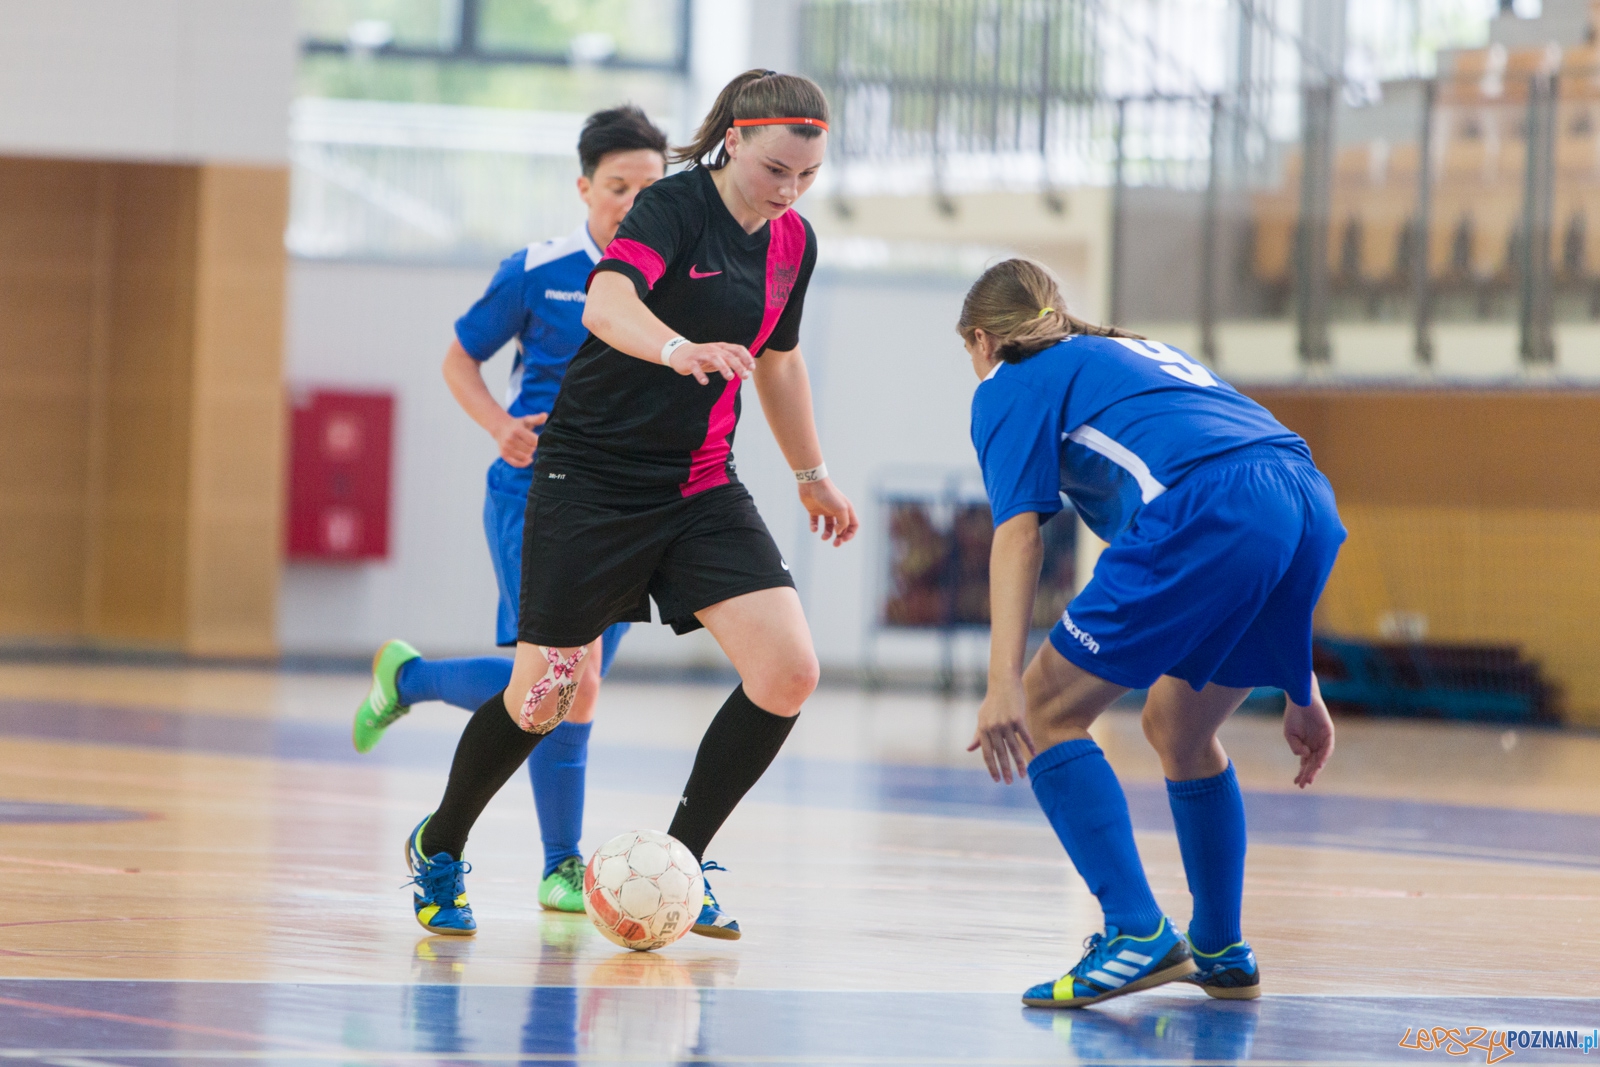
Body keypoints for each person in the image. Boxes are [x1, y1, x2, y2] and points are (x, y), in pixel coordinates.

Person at [401, 68, 857, 939]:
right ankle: (440, 842)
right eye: (775, 170)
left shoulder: (792, 241)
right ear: (733, 141)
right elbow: (608, 303)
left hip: (700, 483)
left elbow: (781, 359)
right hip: (591, 480)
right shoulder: (670, 208)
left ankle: (681, 862)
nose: (789, 191)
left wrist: (811, 473)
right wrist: (678, 348)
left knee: (789, 670)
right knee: (546, 695)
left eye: (807, 176)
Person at [960, 259, 1344, 1007]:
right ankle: (1220, 945)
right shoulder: (1132, 350)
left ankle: (1136, 931)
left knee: (1045, 709)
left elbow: (1019, 535)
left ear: (981, 339)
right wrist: (1302, 686)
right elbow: (1257, 482)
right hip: (1305, 497)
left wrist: (1003, 682)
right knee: (1178, 726)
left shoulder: (1009, 380)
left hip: (1212, 506)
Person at [352, 106, 668, 915]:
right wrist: (500, 426)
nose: (634, 203)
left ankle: (410, 677)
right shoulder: (538, 270)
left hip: (632, 506)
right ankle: (561, 863)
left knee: (571, 689)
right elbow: (461, 357)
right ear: (584, 188)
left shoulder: (680, 280)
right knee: (571, 678)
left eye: (650, 188)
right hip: (538, 493)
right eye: (618, 186)